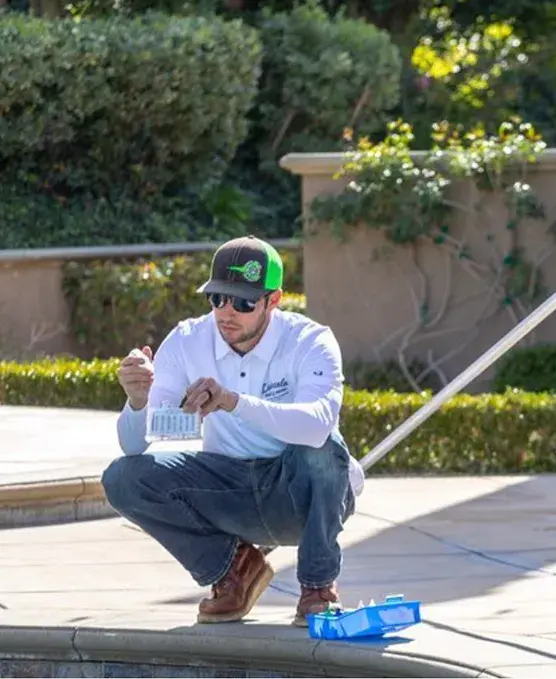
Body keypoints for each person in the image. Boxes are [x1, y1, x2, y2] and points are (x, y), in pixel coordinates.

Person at [101, 235, 365, 627]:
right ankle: (234, 574)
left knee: (323, 448)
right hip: (228, 490)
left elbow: (316, 424)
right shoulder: (188, 340)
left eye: (243, 302)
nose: (227, 312)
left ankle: (317, 586)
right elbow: (136, 443)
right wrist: (138, 401)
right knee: (123, 477)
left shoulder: (310, 340)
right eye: (217, 298)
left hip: (298, 496)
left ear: (273, 301)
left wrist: (233, 401)